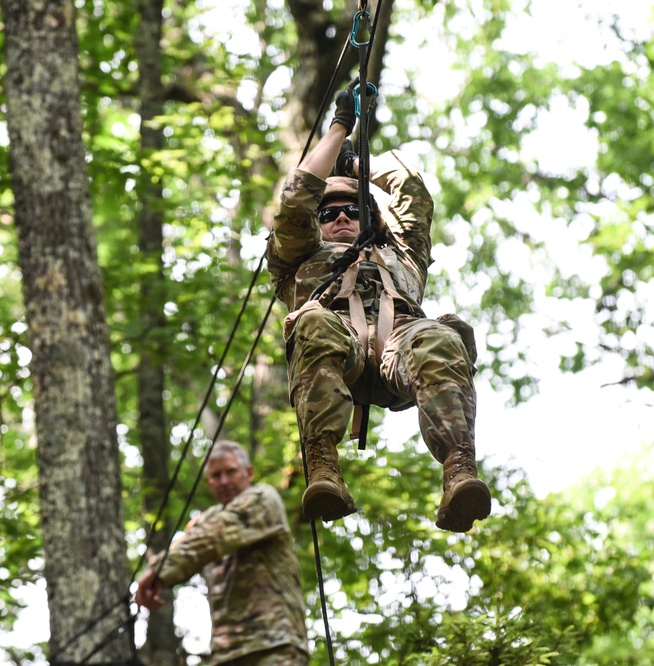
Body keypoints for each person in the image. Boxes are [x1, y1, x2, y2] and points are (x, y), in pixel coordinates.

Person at [264, 81, 492, 533]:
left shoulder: (402, 254)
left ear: (370, 217)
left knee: (440, 336)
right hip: (334, 349)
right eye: (328, 213)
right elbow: (294, 203)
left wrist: (359, 161)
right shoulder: (299, 257)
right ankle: (323, 465)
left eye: (352, 209)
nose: (341, 217)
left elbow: (413, 192)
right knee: (312, 320)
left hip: (399, 349)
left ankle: (459, 469)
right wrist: (339, 130)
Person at [134, 440, 309, 665]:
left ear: (248, 472)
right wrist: (157, 574)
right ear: (208, 482)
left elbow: (213, 536)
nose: (224, 481)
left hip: (274, 646)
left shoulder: (263, 499)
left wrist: (158, 569)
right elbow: (189, 547)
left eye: (231, 472)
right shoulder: (206, 520)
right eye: (216, 476)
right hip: (227, 653)